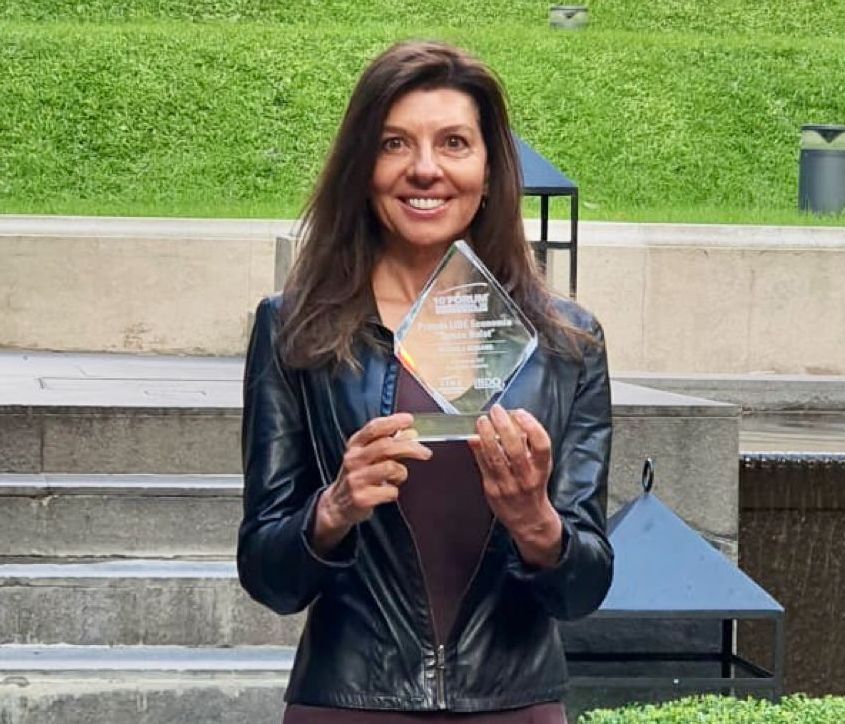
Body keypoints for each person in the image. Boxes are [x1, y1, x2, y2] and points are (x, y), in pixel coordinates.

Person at [238, 41, 614, 723]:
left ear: (491, 169)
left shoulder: (566, 345)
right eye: (394, 144)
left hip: (515, 703)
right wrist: (333, 510)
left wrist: (538, 525)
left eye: (454, 143)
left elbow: (584, 588)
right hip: (350, 701)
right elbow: (266, 574)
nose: (425, 169)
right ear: (363, 166)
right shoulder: (295, 330)